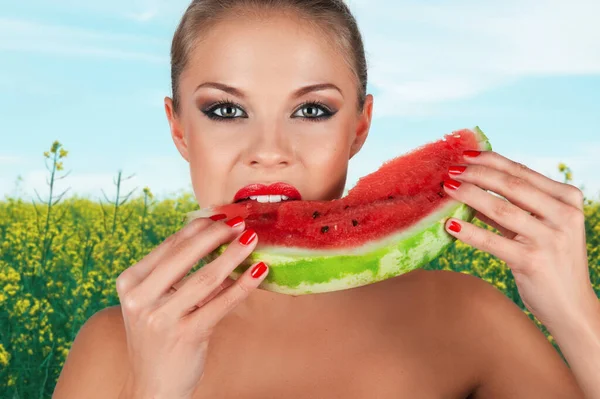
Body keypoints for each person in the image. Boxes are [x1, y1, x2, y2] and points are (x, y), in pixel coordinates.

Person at [52, 1, 600, 398]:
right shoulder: (112, 346)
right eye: (225, 110)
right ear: (179, 130)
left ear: (359, 128)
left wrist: (578, 314)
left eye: (312, 110)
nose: (269, 152)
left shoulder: (468, 318)